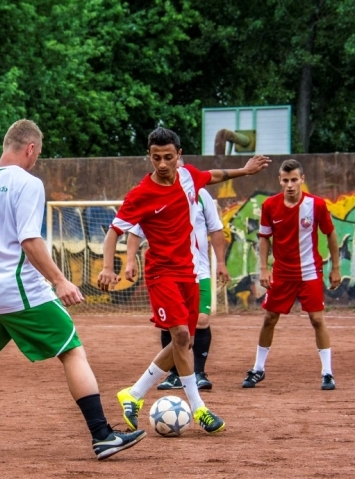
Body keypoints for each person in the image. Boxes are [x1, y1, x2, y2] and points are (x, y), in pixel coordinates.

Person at [0, 119, 146, 461]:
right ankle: (102, 435)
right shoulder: (26, 183)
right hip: (18, 291)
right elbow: (29, 240)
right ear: (30, 148)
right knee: (71, 349)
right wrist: (60, 281)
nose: (37, 159)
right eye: (38, 153)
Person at [97, 127, 270, 434]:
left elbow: (213, 174)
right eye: (155, 158)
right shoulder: (141, 194)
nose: (162, 164)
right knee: (179, 335)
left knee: (185, 341)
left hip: (189, 273)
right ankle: (199, 408)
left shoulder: (188, 176)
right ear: (149, 157)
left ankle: (134, 394)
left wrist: (244, 171)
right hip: (160, 273)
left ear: (178, 155)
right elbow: (114, 232)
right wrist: (109, 267)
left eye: (167, 157)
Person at [241, 159, 340, 390]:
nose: (290, 185)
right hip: (282, 274)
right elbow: (264, 237)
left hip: (310, 272)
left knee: (317, 319)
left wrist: (336, 268)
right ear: (279, 181)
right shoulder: (269, 206)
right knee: (269, 319)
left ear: (302, 180)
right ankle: (258, 369)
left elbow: (331, 234)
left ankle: (327, 373)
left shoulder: (316, 205)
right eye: (285, 180)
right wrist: (264, 268)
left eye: (294, 180)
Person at [124, 184, 230, 391]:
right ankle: (174, 374)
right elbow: (135, 232)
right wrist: (130, 261)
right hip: (166, 273)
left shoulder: (200, 193)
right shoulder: (152, 194)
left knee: (201, 319)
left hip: (199, 271)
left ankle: (199, 372)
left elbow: (216, 228)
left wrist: (221, 262)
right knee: (171, 326)